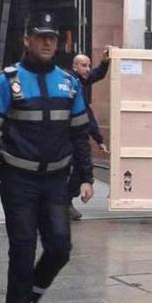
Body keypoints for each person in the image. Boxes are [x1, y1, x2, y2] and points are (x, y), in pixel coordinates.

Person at [0, 11, 94, 303]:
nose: (48, 43)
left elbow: (80, 134)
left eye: (52, 37)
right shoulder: (7, 82)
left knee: (59, 248)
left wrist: (86, 176)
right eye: (41, 36)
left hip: (56, 181)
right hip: (18, 181)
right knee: (22, 251)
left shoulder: (69, 82)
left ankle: (29, 299)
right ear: (27, 39)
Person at [66, 50, 111, 220]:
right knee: (70, 172)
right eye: (83, 65)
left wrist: (105, 62)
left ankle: (66, 203)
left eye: (88, 65)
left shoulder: (81, 80)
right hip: (67, 136)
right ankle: (62, 205)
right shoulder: (70, 82)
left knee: (80, 170)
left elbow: (96, 75)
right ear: (74, 66)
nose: (87, 69)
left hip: (79, 136)